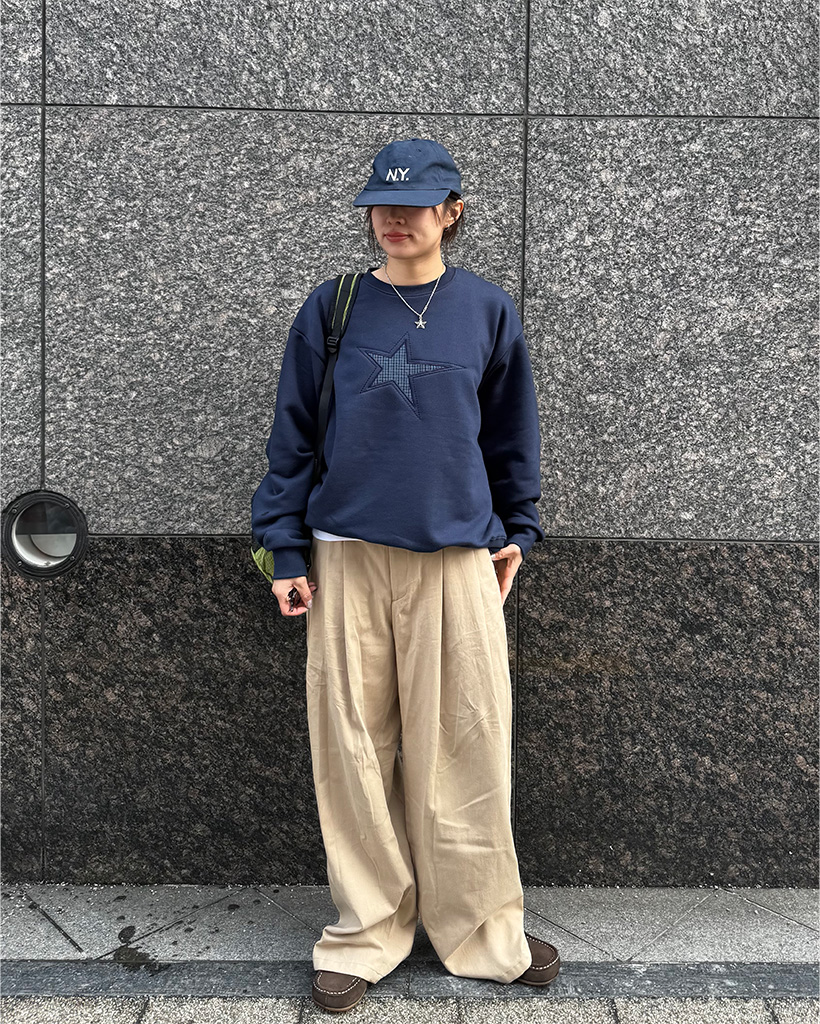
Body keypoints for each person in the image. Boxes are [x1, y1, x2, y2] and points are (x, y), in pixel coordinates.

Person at [251, 137, 561, 1013]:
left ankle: (482, 931)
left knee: (466, 747)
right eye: (381, 204)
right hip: (345, 555)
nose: (394, 217)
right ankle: (366, 933)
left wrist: (518, 531)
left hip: (457, 557)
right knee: (352, 751)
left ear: (451, 212)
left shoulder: (487, 310)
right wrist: (283, 548)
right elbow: (293, 437)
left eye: (416, 203)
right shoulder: (334, 306)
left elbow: (511, 434)